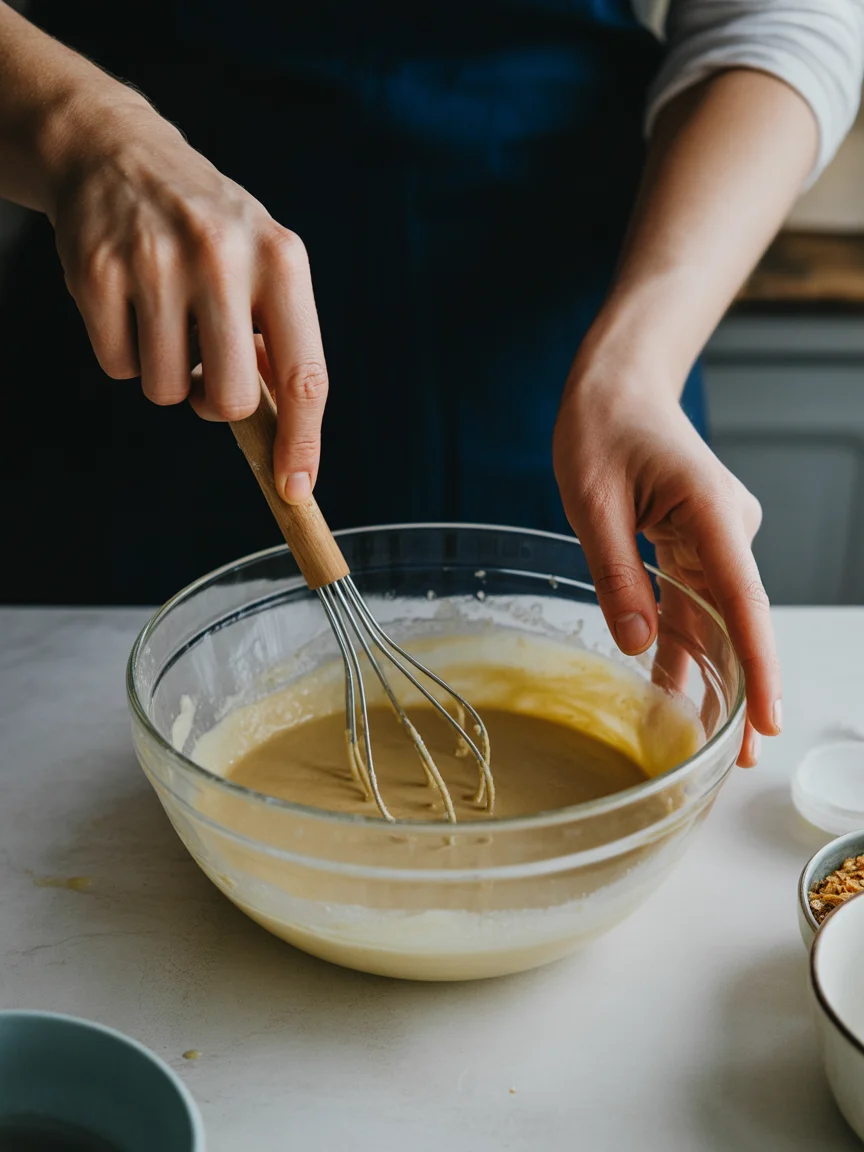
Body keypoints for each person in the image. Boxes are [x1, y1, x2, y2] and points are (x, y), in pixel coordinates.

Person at [0, 0, 861, 768]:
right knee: (93, 742)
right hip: (151, 321)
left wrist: (640, 366)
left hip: (555, 348)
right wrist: (78, 126)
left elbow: (783, 18)